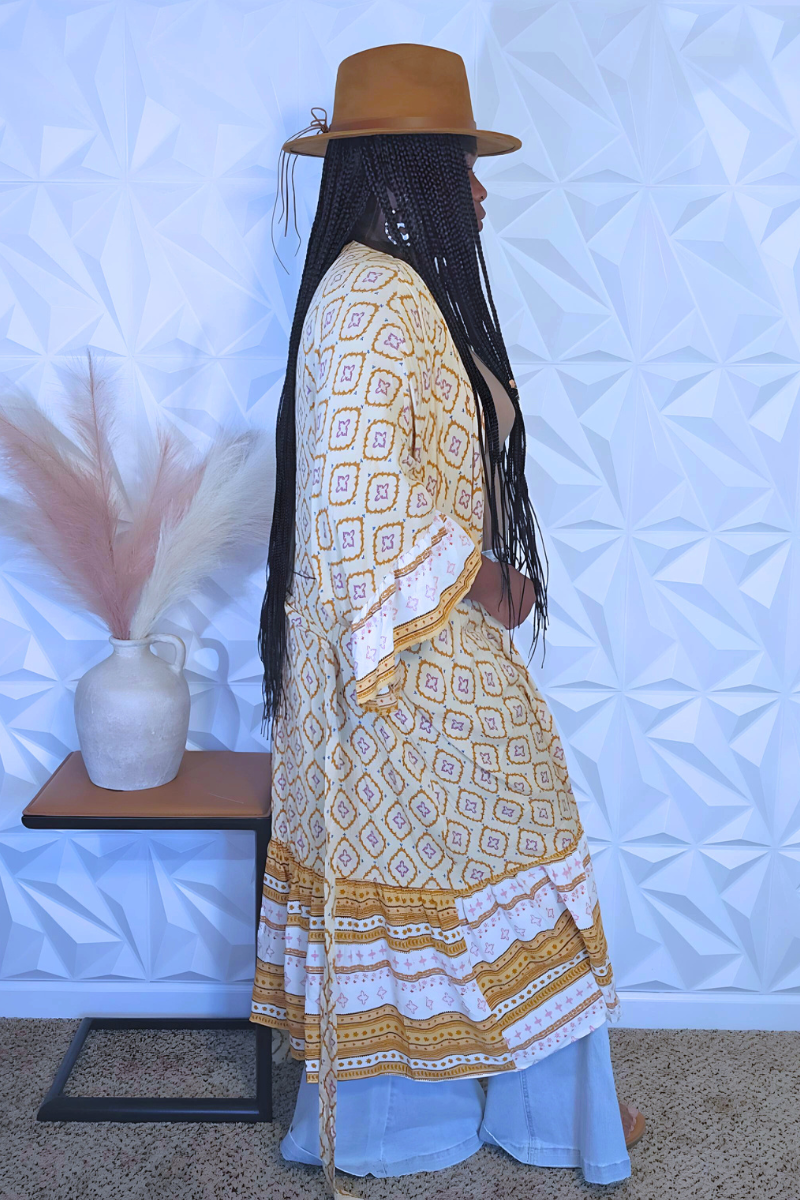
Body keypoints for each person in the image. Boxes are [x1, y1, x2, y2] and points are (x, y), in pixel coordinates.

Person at [251, 42, 646, 1199]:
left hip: (423, 648)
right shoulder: (370, 301)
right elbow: (361, 514)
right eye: (460, 166)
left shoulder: (391, 285)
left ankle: (485, 1114)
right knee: (489, 862)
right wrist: (491, 583)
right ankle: (478, 1121)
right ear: (406, 170)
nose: (478, 191)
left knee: (483, 870)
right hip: (404, 664)